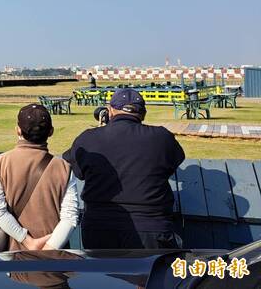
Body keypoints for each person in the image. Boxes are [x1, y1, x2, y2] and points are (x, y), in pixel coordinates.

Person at [62, 88, 185, 249]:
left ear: (110, 110)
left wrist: (101, 130)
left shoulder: (88, 137)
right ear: (143, 114)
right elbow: (173, 164)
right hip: (152, 227)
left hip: (99, 227)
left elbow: (76, 169)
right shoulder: (162, 137)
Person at [0, 104, 79, 252]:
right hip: (56, 255)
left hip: (16, 253)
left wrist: (27, 241)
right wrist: (48, 249)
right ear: (51, 131)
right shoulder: (64, 168)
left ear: (18, 130)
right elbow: (69, 218)